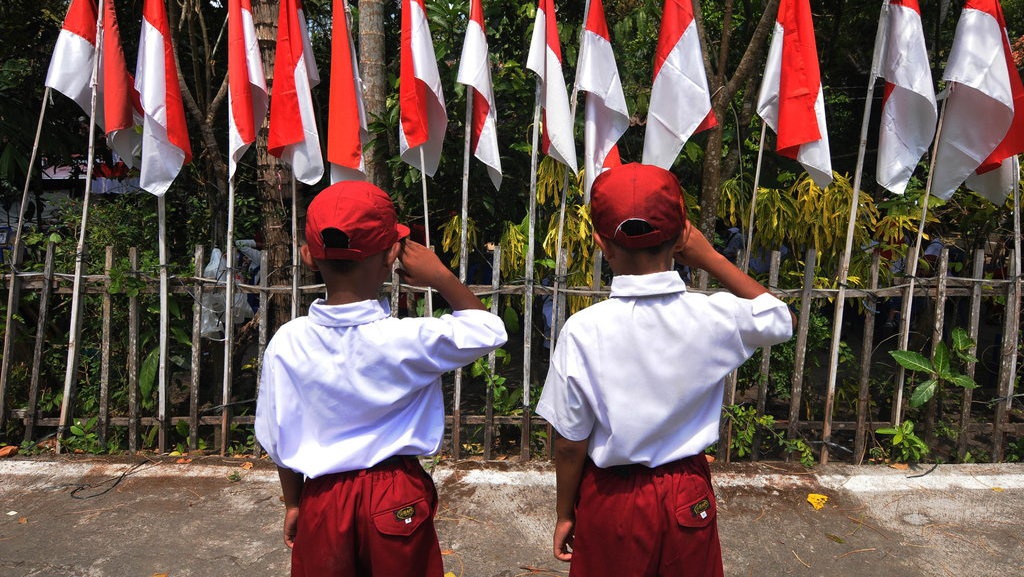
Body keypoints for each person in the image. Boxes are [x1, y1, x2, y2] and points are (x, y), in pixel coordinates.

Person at [536, 163, 795, 577]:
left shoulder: (584, 329)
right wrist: (708, 256)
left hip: (612, 496)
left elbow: (570, 443)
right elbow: (779, 318)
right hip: (686, 490)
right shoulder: (714, 315)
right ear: (680, 237)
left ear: (603, 244)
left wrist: (565, 511)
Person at [254, 181, 507, 577]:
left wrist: (294, 503)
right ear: (393, 255)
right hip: (396, 491)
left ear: (307, 256)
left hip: (322, 496)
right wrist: (440, 276)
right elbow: (488, 329)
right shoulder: (409, 337)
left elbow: (276, 437)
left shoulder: (287, 342)